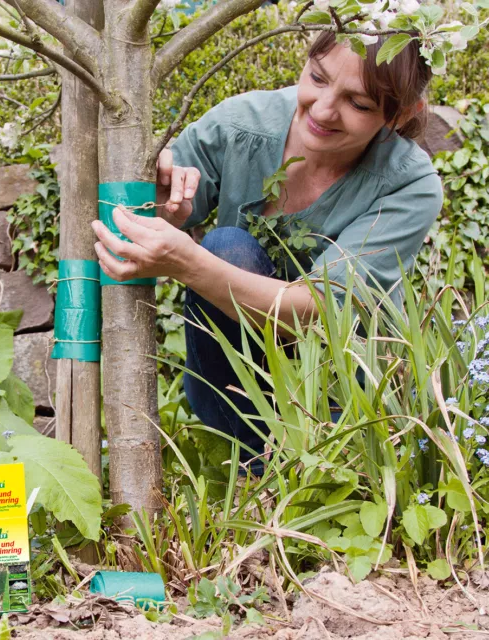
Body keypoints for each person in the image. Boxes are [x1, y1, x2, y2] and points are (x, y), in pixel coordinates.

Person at [91, 32, 443, 472]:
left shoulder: (409, 185)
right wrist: (162, 204)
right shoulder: (242, 126)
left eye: (359, 104)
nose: (322, 109)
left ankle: (285, 479)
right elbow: (159, 209)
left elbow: (320, 310)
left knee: (219, 251)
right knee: (229, 247)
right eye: (317, 78)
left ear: (399, 115)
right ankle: (261, 473)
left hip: (334, 394)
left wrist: (188, 262)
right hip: (229, 388)